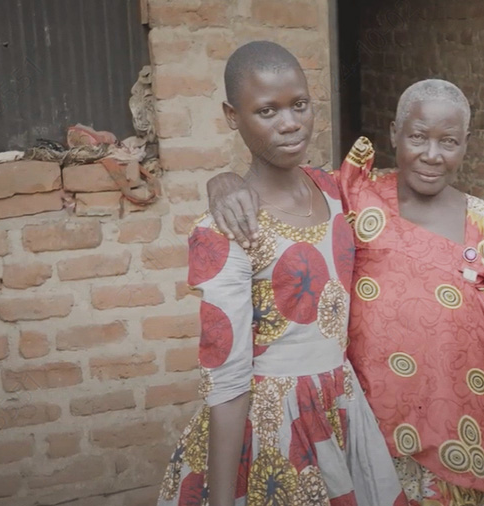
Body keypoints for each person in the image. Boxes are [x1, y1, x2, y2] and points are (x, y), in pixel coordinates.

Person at [207, 79, 484, 506]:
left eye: (448, 141)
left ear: (467, 143)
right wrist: (224, 181)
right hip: (371, 438)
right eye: (417, 137)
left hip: (468, 442)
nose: (431, 155)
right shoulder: (353, 197)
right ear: (394, 133)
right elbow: (280, 183)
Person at [158, 41, 406, 506]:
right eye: (266, 111)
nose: (290, 123)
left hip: (341, 406)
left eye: (300, 105)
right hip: (275, 424)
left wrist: (224, 179)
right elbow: (227, 380)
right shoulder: (228, 230)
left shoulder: (335, 193)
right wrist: (221, 499)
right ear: (233, 116)